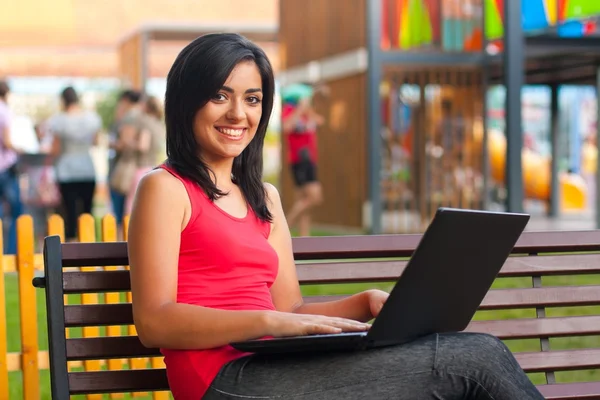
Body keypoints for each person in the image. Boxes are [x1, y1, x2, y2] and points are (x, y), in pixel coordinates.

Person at [127, 33, 545, 400]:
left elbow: (291, 307)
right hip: (224, 381)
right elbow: (154, 321)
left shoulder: (264, 198)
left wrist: (364, 304)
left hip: (278, 367)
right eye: (220, 96)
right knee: (474, 358)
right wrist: (265, 322)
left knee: (462, 358)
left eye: (252, 99)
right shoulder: (166, 188)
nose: (239, 114)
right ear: (186, 102)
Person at [48, 86, 102, 241]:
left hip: (66, 169)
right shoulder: (91, 119)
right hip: (86, 167)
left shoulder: (59, 120)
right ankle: (88, 243)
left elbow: (56, 148)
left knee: (69, 211)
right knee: (87, 210)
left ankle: (71, 245)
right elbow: (96, 141)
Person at [282, 84, 324, 236]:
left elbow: (319, 121)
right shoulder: (289, 110)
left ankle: (304, 241)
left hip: (310, 159)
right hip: (299, 160)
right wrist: (299, 109)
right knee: (314, 198)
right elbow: (286, 127)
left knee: (303, 202)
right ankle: (284, 225)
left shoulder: (308, 113)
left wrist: (308, 109)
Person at [108, 89, 142, 226]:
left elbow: (123, 143)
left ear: (126, 101)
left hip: (125, 168)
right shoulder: (143, 116)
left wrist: (110, 143)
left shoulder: (129, 118)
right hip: (138, 167)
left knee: (121, 211)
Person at [0, 80, 22, 254]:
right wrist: (21, 149)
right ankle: (11, 251)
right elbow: (7, 142)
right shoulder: (4, 111)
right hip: (5, 168)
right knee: (16, 213)